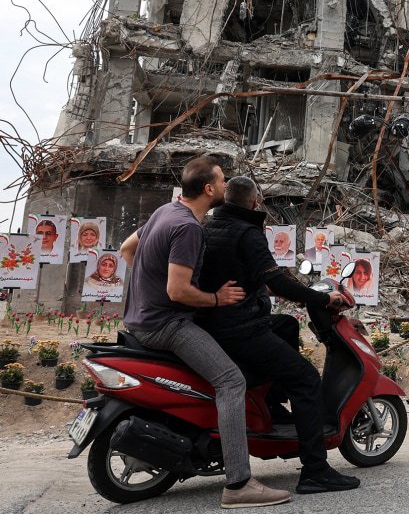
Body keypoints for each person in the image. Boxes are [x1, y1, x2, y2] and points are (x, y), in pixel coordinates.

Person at [119, 156, 290, 509]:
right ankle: (238, 483)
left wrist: (147, 287)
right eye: (223, 180)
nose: (227, 185)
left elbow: (126, 249)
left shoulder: (165, 211)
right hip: (166, 325)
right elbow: (178, 291)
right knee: (231, 381)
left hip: (138, 319)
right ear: (209, 189)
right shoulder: (188, 228)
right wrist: (216, 298)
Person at [195, 176, 360, 495]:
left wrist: (283, 289)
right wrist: (322, 299)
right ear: (254, 202)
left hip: (215, 321)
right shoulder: (248, 232)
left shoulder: (211, 225)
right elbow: (277, 281)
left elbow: (248, 274)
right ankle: (315, 471)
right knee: (306, 379)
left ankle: (271, 404)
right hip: (241, 328)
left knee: (285, 326)